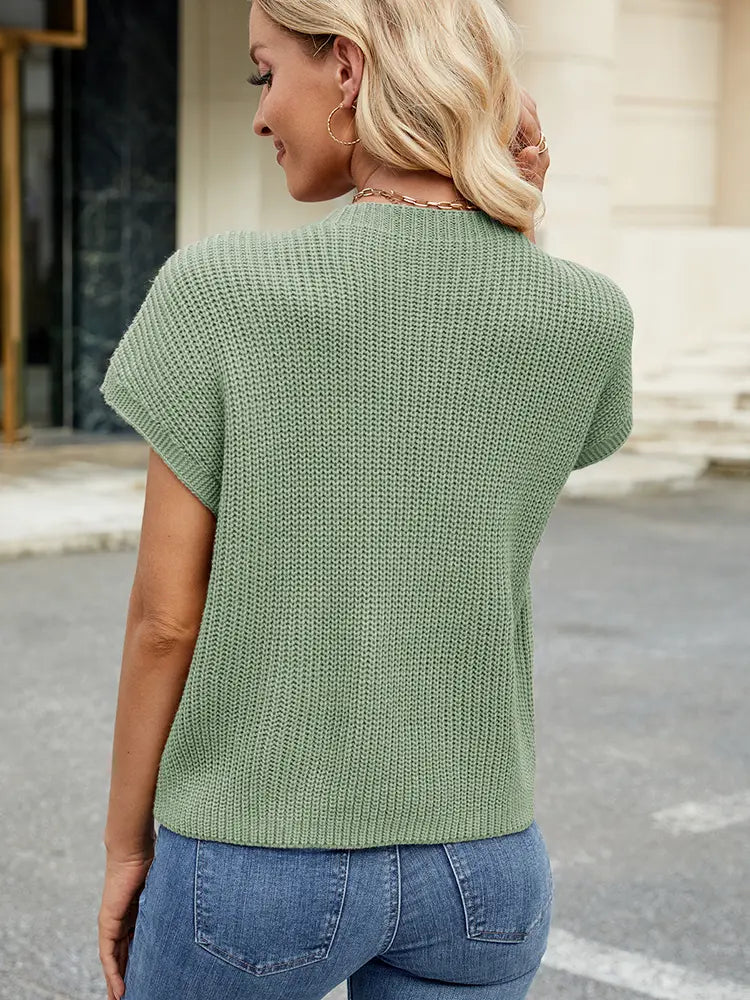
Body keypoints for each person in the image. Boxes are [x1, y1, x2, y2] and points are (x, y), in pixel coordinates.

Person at [96, 1, 633, 998]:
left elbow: (166, 622)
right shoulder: (588, 314)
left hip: (254, 861)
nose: (259, 113)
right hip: (485, 864)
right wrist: (518, 221)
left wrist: (128, 847)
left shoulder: (221, 289)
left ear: (345, 67)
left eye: (264, 72)